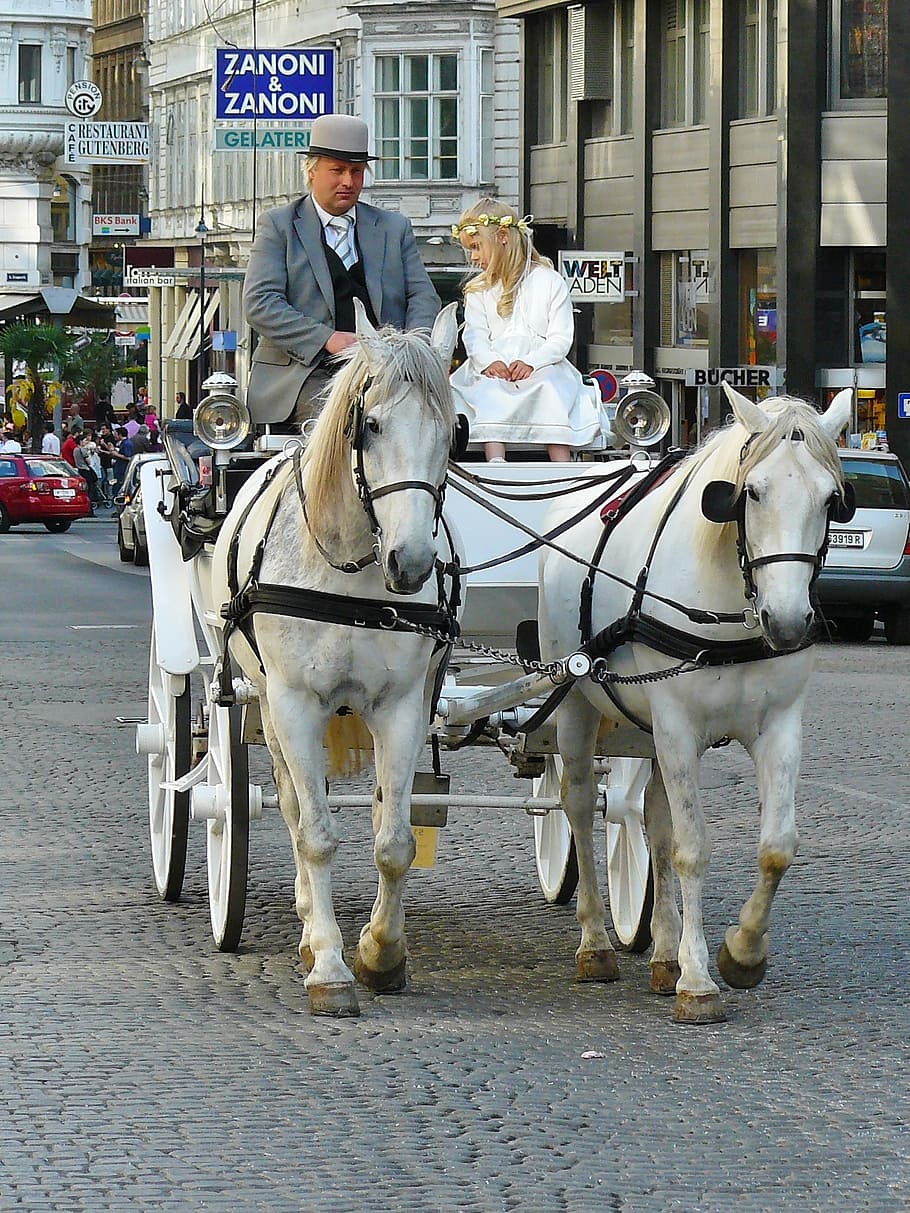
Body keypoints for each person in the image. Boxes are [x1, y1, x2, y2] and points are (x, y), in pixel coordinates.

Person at [243, 113, 440, 429]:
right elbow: (260, 304)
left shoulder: (393, 228)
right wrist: (327, 338)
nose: (348, 181)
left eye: (356, 171)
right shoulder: (278, 226)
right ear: (312, 171)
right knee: (339, 423)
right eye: (337, 170)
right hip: (306, 373)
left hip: (388, 369)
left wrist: (413, 351)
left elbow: (422, 296)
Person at [449, 199, 602, 462]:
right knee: (490, 390)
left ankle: (562, 467)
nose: (473, 257)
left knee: (550, 390)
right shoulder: (479, 289)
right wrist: (490, 361)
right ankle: (495, 461)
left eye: (476, 247)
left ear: (502, 237)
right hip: (494, 368)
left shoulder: (549, 280)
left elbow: (561, 336)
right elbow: (475, 335)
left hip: (543, 366)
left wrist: (533, 362)